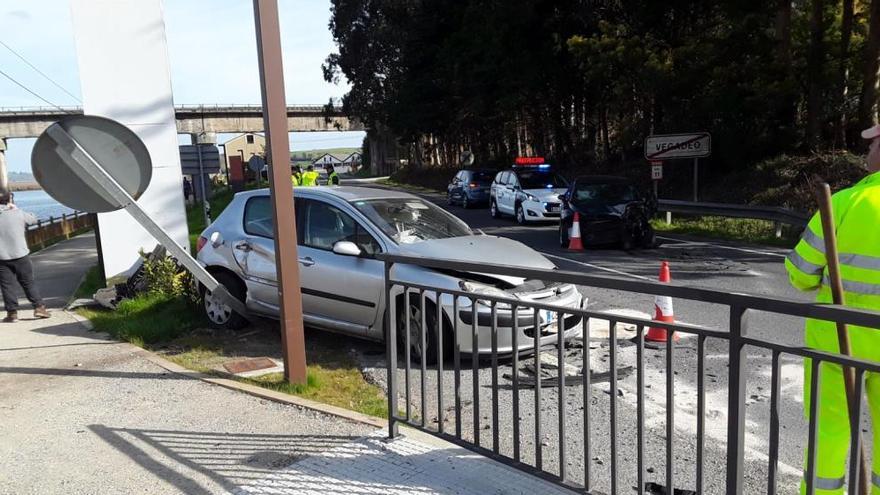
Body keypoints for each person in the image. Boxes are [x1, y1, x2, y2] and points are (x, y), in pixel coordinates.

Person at [785, 124, 880, 494]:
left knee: (830, 429)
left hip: (840, 344)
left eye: (873, 142)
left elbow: (800, 274)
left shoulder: (843, 204)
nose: (867, 148)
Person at [0, 189, 50, 322]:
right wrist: (16, 208)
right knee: (28, 282)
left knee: (7, 286)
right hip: (21, 254)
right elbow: (33, 219)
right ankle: (39, 308)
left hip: (2, 257)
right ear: (9, 200)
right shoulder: (17, 213)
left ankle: (12, 313)